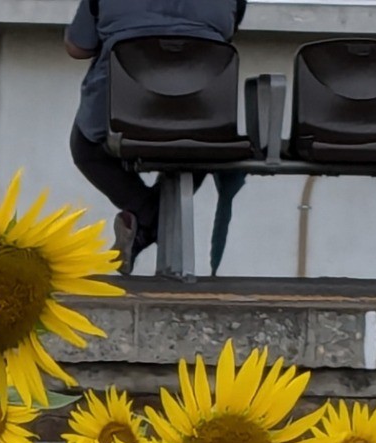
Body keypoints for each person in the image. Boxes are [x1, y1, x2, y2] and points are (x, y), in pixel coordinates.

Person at [65, 0, 248, 268]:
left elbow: (77, 48)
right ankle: (149, 224)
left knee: (85, 149)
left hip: (123, 114)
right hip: (200, 117)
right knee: (201, 150)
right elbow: (225, 35)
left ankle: (145, 219)